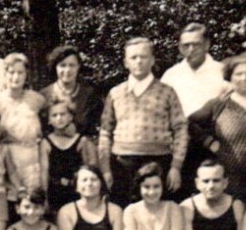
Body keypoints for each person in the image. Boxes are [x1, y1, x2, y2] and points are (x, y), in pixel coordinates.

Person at [99, 37, 187, 206]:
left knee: (157, 212)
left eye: (143, 56)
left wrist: (176, 166)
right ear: (126, 62)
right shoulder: (116, 93)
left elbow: (181, 129)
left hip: (159, 161)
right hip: (122, 165)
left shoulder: (167, 92)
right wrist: (106, 169)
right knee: (124, 210)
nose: (138, 61)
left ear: (152, 60)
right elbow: (105, 131)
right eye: (133, 57)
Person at [185, 50, 246, 199]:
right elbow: (188, 123)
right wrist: (209, 142)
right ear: (230, 78)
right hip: (230, 179)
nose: (244, 78)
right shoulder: (217, 105)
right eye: (238, 74)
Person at [0, 53, 49, 200]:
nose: (16, 77)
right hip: (6, 160)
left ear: (26, 75)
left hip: (32, 160)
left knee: (33, 202)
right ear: (4, 74)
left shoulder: (37, 99)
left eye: (20, 72)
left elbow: (51, 122)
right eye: (11, 72)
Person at [162, 21, 228, 117]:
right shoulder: (171, 76)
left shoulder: (222, 71)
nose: (191, 49)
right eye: (186, 45)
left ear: (207, 45)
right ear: (180, 48)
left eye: (196, 44)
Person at [45, 100, 95, 216]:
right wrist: (45, 197)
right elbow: (44, 173)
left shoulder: (81, 141)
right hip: (55, 192)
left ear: (70, 117)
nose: (59, 118)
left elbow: (90, 169)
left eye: (63, 114)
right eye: (54, 115)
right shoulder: (46, 142)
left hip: (77, 191)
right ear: (49, 120)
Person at [41, 44, 103, 138]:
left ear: (78, 67)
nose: (67, 70)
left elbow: (98, 127)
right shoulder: (43, 96)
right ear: (55, 67)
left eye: (72, 65)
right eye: (62, 65)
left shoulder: (90, 95)